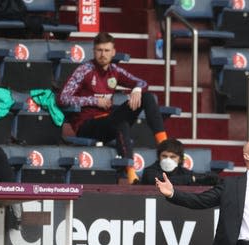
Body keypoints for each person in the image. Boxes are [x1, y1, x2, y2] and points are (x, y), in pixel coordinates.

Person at [58, 32, 169, 185]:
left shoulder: (114, 71)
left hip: (109, 121)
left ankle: (164, 145)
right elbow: (63, 97)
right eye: (99, 50)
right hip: (87, 125)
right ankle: (131, 176)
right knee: (120, 122)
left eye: (107, 50)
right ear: (94, 51)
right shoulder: (84, 70)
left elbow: (142, 83)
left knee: (147, 97)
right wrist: (94, 100)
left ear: (113, 52)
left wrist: (136, 90)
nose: (103, 54)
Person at [140, 137, 218, 186]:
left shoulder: (184, 172)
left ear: (180, 159)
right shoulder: (149, 171)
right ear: (159, 156)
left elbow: (212, 178)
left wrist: (201, 178)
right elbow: (163, 182)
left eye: (173, 157)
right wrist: (191, 179)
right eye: (164, 156)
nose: (168, 159)